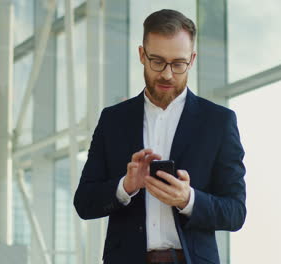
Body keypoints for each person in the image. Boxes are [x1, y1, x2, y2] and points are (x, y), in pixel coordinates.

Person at [73, 9, 246, 264]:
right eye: (157, 61)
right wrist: (126, 187)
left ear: (192, 59)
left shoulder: (219, 122)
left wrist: (188, 200)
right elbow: (84, 203)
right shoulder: (112, 120)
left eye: (178, 64)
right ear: (142, 55)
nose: (167, 74)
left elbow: (236, 212)